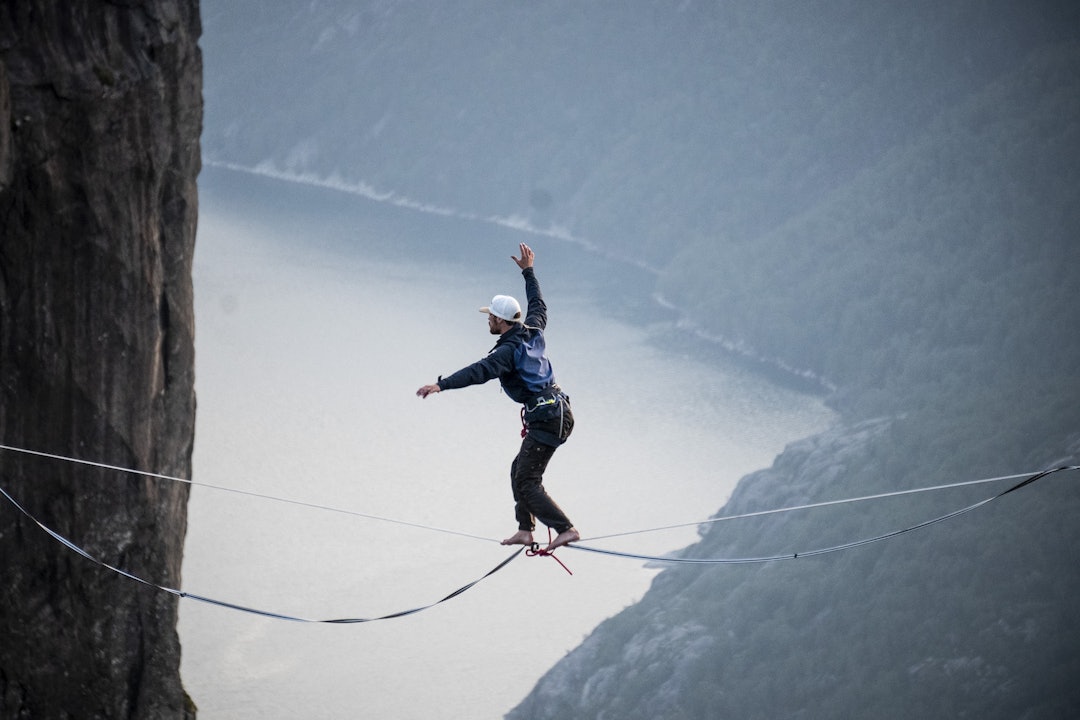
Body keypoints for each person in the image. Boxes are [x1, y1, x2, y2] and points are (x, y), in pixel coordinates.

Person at [416, 243, 579, 553]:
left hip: (548, 418)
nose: (487, 320)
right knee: (519, 470)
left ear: (502, 322)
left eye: (490, 317)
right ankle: (525, 530)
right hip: (554, 413)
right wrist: (528, 271)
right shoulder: (532, 328)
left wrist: (442, 385)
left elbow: (480, 371)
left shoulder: (507, 352)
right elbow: (538, 303)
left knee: (528, 480)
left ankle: (565, 529)